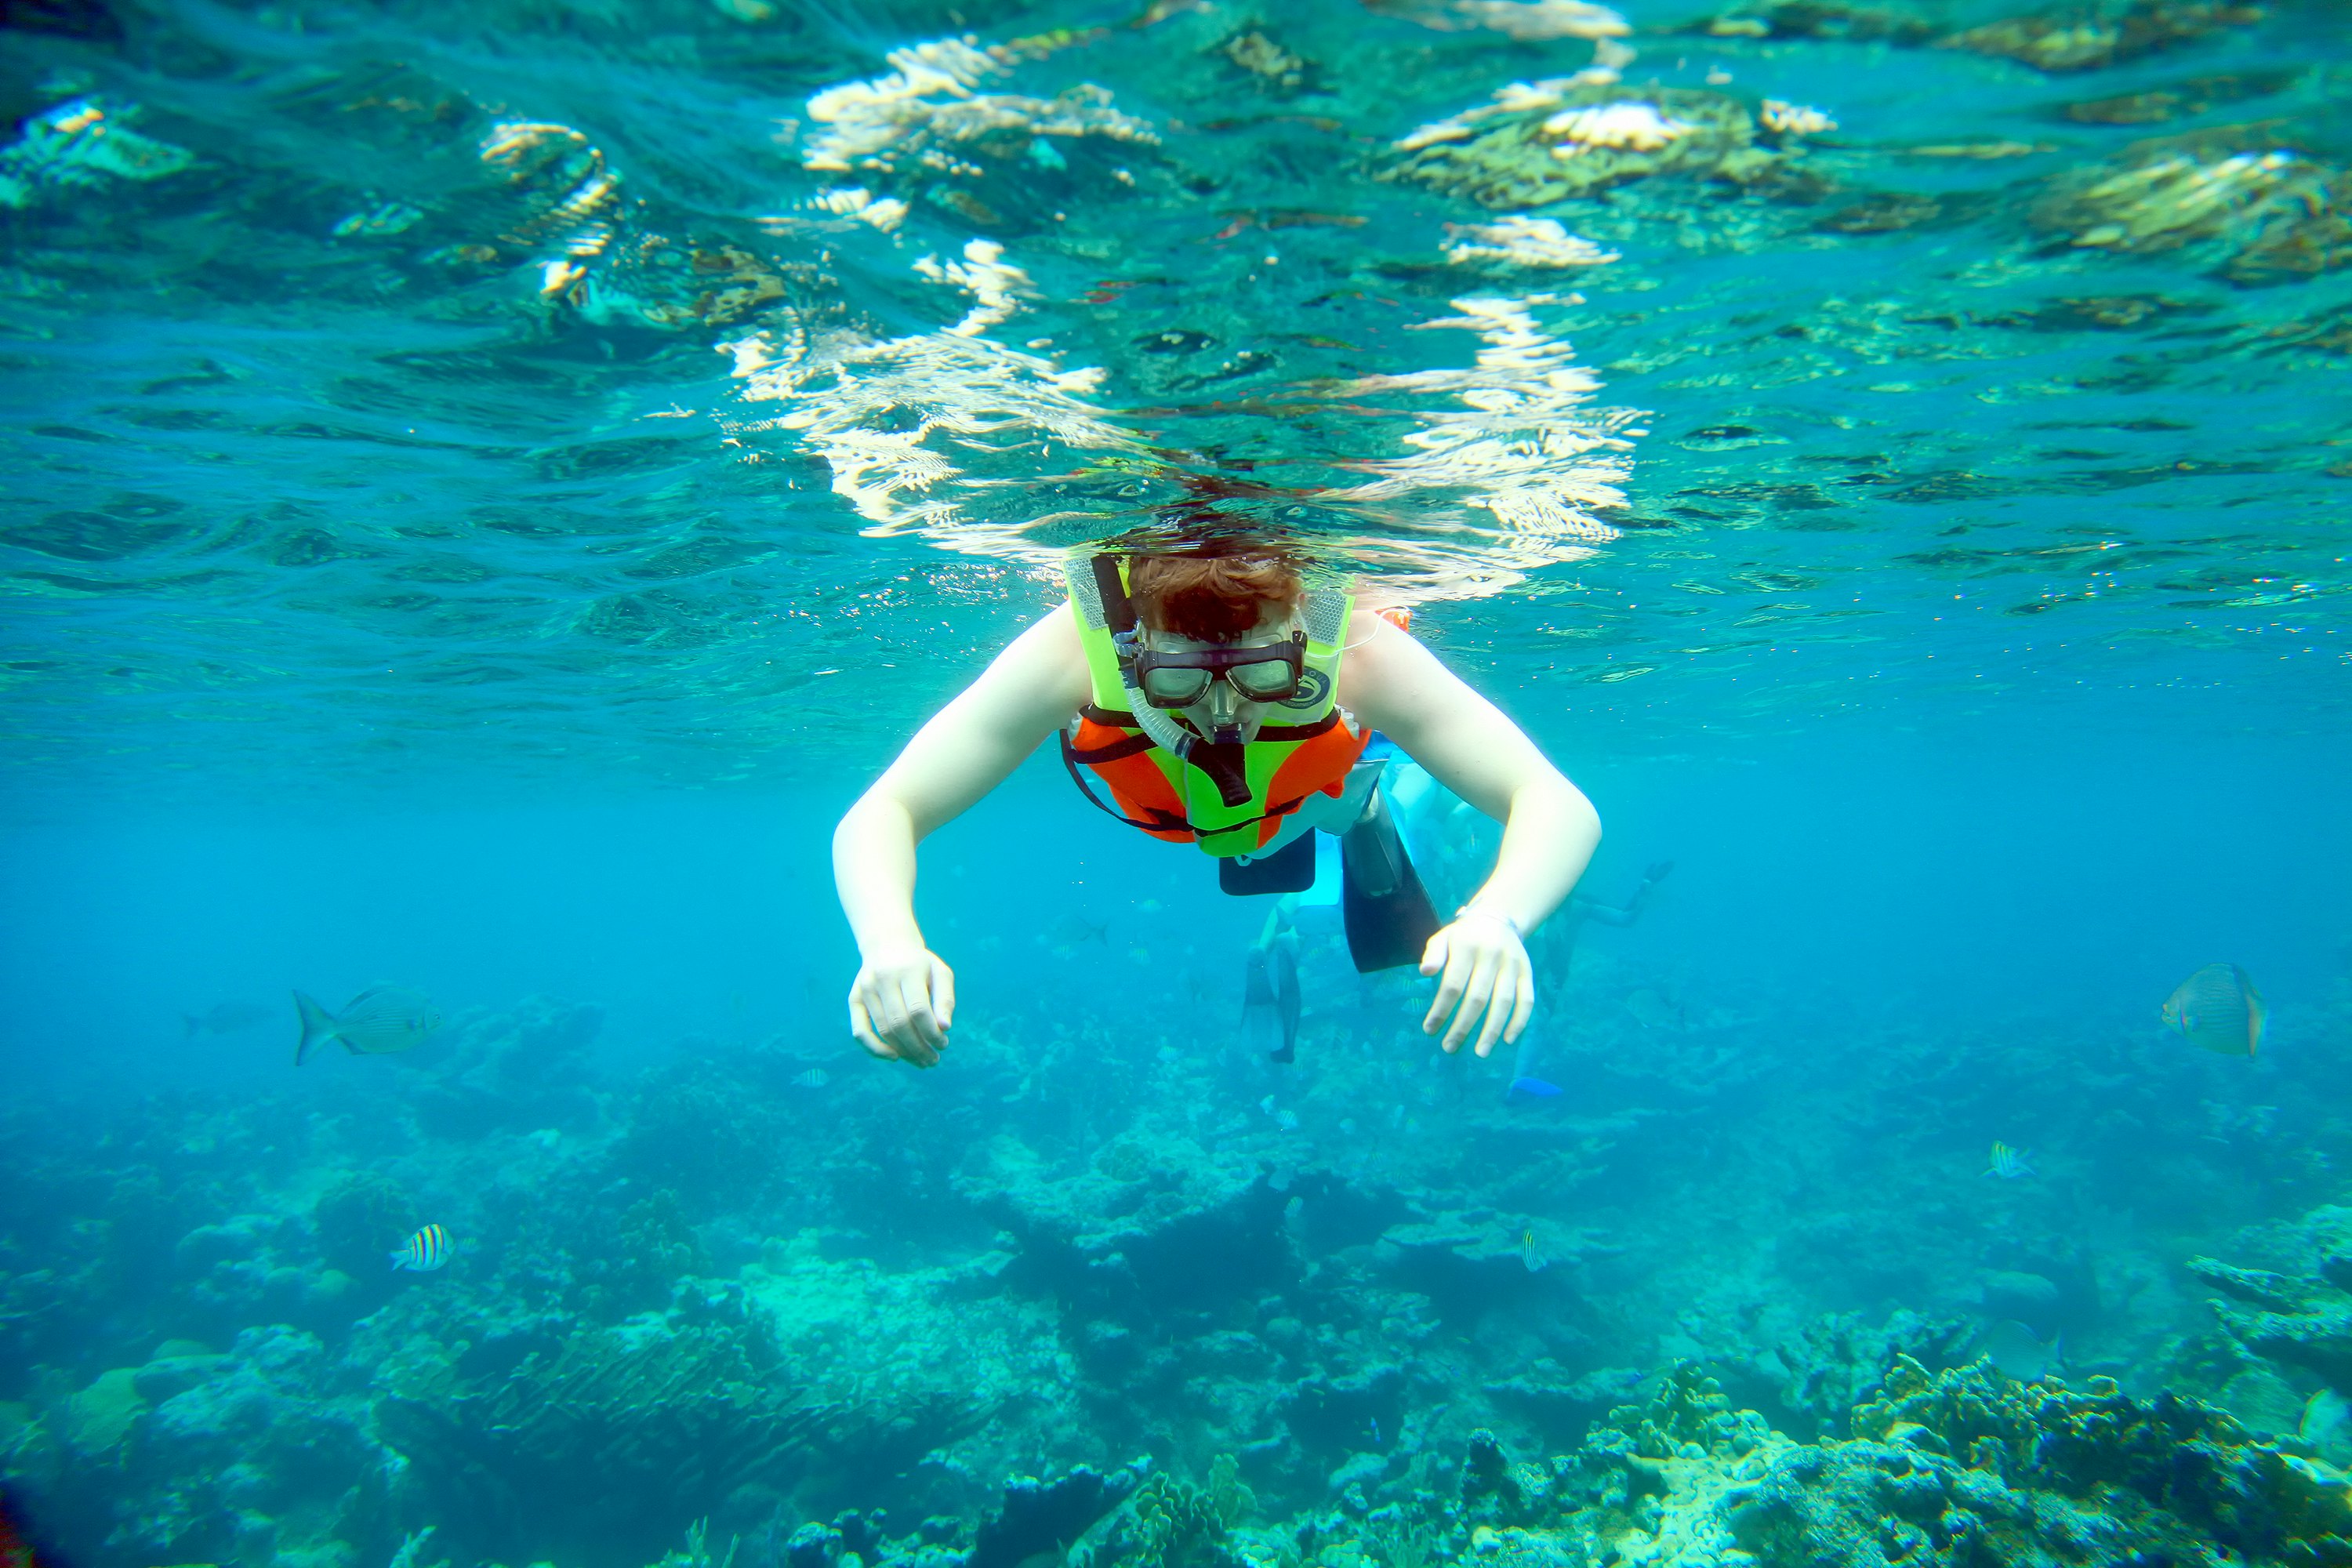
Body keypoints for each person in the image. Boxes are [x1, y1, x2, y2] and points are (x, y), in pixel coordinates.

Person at [831, 539, 1602, 1069]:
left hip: (1316, 793)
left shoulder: (1359, 650)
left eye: (1263, 675)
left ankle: (1370, 808)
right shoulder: (1073, 648)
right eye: (1179, 684)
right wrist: (887, 938)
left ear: (1303, 639)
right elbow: (886, 808)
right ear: (1133, 651)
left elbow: (1556, 801)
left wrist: (1500, 913)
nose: (1224, 713)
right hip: (1196, 810)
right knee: (1269, 833)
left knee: (1345, 801)